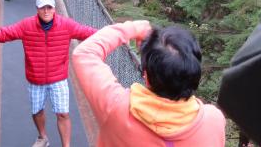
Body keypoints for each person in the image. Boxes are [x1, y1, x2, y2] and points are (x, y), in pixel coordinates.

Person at [0, 0, 97, 147]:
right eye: (42, 8)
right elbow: (3, 33)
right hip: (36, 79)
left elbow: (87, 32)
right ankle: (42, 137)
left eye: (49, 8)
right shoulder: (27, 25)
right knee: (37, 111)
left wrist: (114, 32)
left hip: (58, 78)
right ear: (37, 9)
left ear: (54, 9)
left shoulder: (66, 25)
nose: (46, 11)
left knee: (63, 113)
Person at [72, 21, 226, 147]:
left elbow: (85, 53)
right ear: (194, 73)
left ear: (146, 75)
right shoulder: (214, 121)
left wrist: (133, 28)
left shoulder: (116, 107)